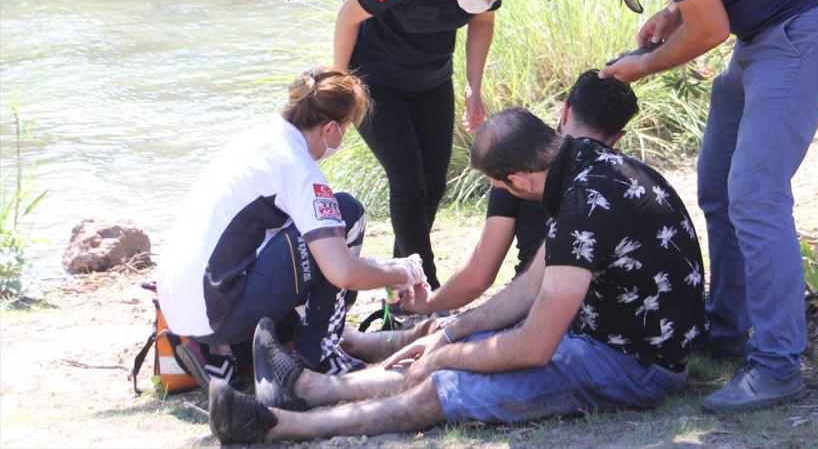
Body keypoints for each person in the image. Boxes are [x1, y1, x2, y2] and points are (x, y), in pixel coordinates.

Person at [516, 0, 818, 412]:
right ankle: (727, 331)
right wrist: (675, 11)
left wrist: (641, 64)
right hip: (768, 32)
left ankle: (778, 366)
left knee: (755, 194)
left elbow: (711, 30)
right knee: (718, 182)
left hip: (806, 26)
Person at [205, 108, 707, 443]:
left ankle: (279, 426)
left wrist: (448, 353)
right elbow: (532, 285)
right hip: (610, 332)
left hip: (637, 364)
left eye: (501, 189)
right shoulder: (584, 162)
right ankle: (309, 386)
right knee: (454, 343)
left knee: (443, 386)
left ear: (519, 180)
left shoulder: (582, 208)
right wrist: (450, 330)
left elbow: (534, 346)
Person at [156, 67, 425, 390]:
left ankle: (221, 352)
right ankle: (319, 356)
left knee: (316, 237)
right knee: (345, 212)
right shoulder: (298, 168)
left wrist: (382, 267)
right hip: (219, 313)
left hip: (181, 310)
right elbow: (341, 272)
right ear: (329, 129)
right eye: (346, 129)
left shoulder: (257, 140)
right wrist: (402, 274)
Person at [333, 0, 520, 289]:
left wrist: (473, 86)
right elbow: (348, 16)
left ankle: (400, 281)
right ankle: (424, 285)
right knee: (407, 182)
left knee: (434, 185)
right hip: (376, 82)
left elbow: (482, 23)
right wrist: (340, 87)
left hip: (431, 81)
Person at [400, 68, 639, 316]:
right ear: (617, 138)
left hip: (538, 311)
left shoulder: (521, 166)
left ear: (566, 110)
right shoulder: (623, 179)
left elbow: (479, 276)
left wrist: (428, 303)